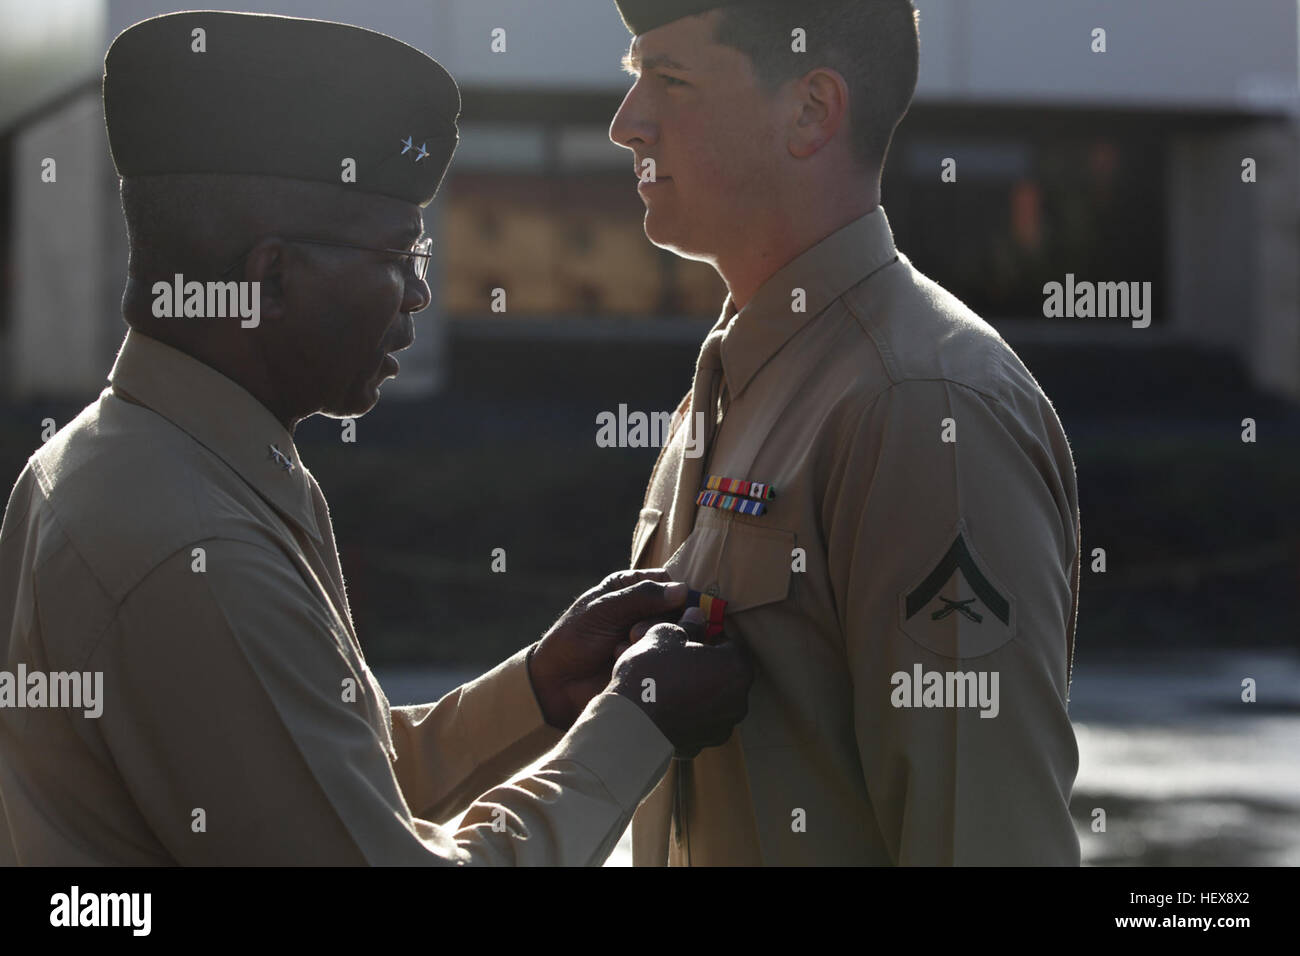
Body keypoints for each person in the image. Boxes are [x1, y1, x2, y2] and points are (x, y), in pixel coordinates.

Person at [0, 10, 753, 866]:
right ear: (271, 277)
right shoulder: (193, 545)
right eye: (400, 253)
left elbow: (324, 781)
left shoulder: (116, 461)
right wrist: (635, 727)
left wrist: (542, 689)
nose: (417, 295)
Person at [609, 0, 1082, 864]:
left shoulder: (924, 404)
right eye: (633, 75)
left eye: (668, 80)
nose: (625, 123)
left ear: (810, 112)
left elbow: (982, 837)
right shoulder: (740, 376)